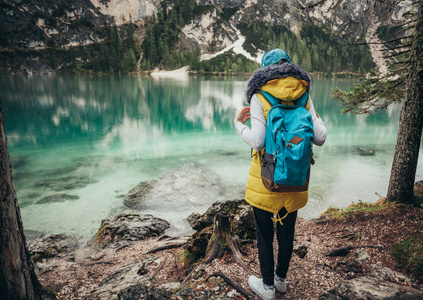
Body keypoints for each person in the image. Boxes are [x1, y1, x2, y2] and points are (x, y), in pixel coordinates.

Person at [234, 49, 327, 300]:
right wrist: (315, 116)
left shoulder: (259, 94)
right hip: (296, 178)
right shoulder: (304, 94)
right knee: (287, 233)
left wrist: (238, 124)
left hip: (266, 180)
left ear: (264, 69)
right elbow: (320, 138)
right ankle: (281, 281)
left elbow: (257, 141)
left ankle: (266, 288)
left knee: (264, 235)